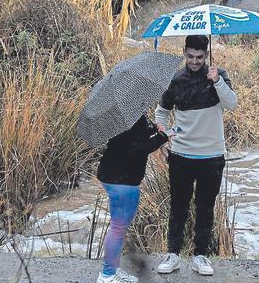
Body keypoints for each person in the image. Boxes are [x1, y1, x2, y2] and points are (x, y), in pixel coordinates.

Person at [153, 35, 238, 276]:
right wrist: (163, 139)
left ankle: (200, 256)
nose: (195, 61)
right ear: (184, 52)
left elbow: (232, 104)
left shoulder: (218, 75)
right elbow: (161, 112)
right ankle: (173, 254)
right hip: (181, 155)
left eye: (200, 57)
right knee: (178, 206)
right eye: (190, 56)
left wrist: (218, 81)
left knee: (205, 207)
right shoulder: (176, 80)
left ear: (206, 54)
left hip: (212, 156)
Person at [95, 114, 173, 283]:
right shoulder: (126, 116)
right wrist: (163, 137)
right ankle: (107, 275)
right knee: (118, 228)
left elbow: (137, 135)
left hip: (115, 175)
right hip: (121, 179)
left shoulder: (128, 114)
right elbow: (138, 148)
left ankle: (112, 269)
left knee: (120, 228)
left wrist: (153, 128)